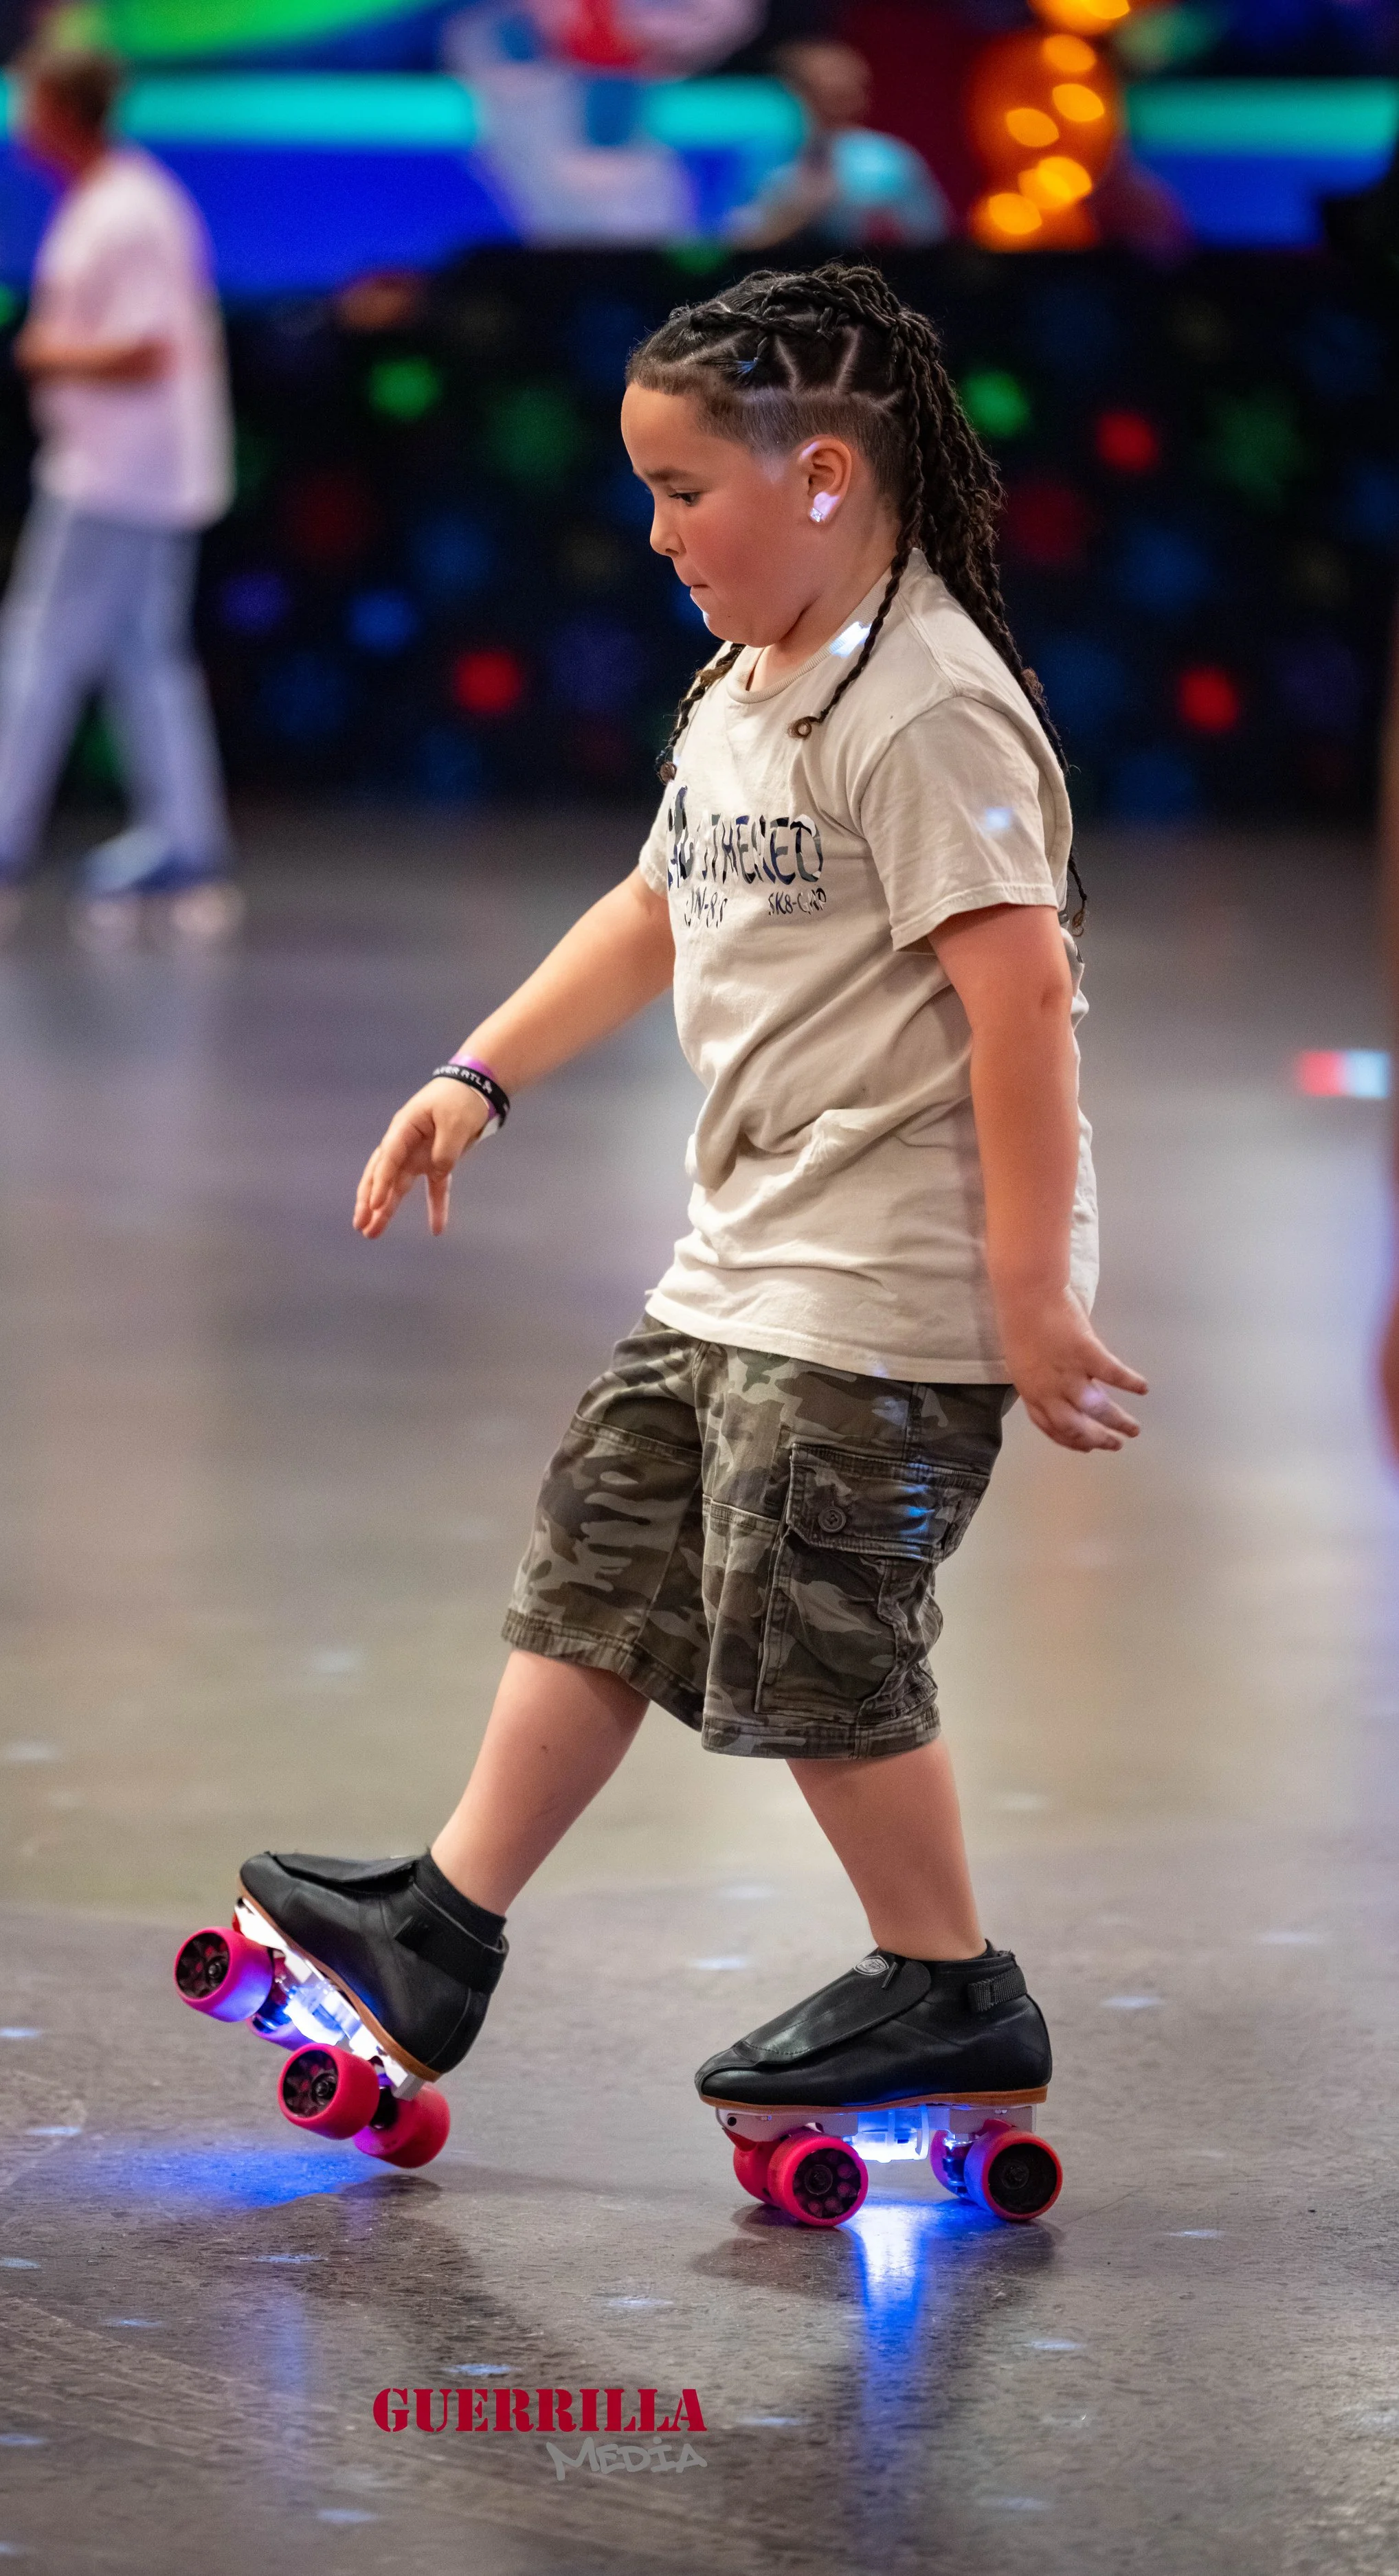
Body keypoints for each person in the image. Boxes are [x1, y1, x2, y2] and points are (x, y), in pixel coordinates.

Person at [237, 264, 1145, 2144]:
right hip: (745, 1256)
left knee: (807, 1627)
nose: (653, 535)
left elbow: (1022, 996)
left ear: (821, 478)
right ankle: (442, 1925)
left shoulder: (925, 709)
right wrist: (473, 1072)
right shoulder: (751, 677)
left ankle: (943, 1984)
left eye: (680, 491)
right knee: (611, 1547)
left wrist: (1026, 1291)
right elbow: (656, 904)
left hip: (883, 1289)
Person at [0, 39, 235, 922]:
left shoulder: (125, 211)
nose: (17, 121)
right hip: (135, 472)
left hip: (116, 476)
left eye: (26, 101)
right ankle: (184, 841)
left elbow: (145, 348)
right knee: (145, 659)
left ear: (61, 110)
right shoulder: (114, 201)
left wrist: (43, 350)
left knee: (39, 645)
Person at [727, 41, 952, 250]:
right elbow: (727, 239)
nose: (843, 107)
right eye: (821, 94)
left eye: (849, 92)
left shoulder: (889, 160)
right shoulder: (754, 156)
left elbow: (930, 237)